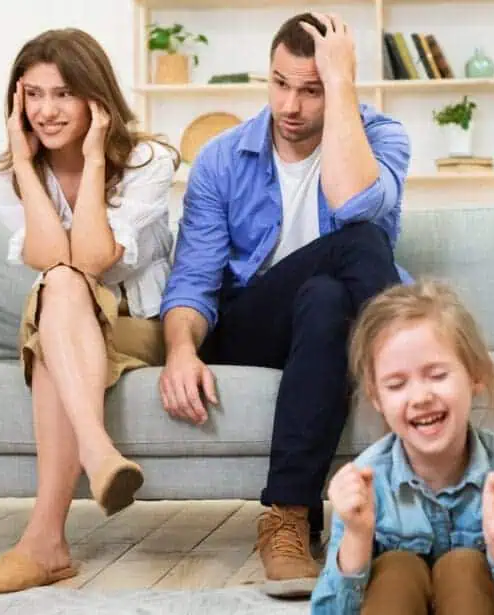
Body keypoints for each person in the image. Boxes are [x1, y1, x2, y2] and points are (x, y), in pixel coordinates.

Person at [157, 12, 411, 597]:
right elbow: (194, 279)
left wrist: (342, 87)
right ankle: (405, 371)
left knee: (327, 291)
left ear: (341, 85)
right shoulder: (222, 158)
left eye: (312, 89)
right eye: (279, 84)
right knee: (357, 246)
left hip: (336, 326)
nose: (291, 105)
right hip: (254, 323)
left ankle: (287, 518)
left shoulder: (384, 137)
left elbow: (357, 203)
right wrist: (178, 351)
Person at [0, 29, 180, 595]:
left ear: (96, 98)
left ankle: (46, 542)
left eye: (62, 94)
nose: (45, 111)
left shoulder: (146, 160)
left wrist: (90, 159)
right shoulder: (8, 171)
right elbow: (50, 259)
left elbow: (90, 257)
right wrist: (22, 162)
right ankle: (97, 453)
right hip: (63, 322)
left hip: (137, 325)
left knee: (60, 300)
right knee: (58, 287)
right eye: (31, 95)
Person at [310, 280, 494, 614]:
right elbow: (328, 611)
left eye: (437, 375)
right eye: (397, 384)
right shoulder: (367, 482)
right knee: (397, 569)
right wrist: (357, 536)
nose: (421, 397)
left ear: (474, 376)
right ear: (377, 398)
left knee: (465, 568)